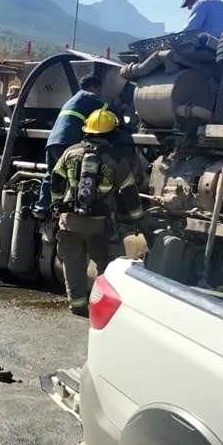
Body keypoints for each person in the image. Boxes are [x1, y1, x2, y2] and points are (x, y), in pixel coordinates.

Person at [50, 107, 144, 316]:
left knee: (72, 265)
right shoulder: (115, 159)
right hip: (99, 224)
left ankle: (77, 304)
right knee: (106, 265)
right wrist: (137, 219)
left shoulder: (70, 152)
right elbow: (129, 190)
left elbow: (56, 179)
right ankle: (99, 305)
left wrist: (56, 205)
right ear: (111, 133)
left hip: (69, 222)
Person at [32, 75, 106, 218]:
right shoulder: (89, 96)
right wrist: (121, 108)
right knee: (74, 175)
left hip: (53, 142)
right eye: (99, 90)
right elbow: (107, 109)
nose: (100, 93)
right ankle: (70, 211)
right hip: (68, 142)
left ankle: (41, 208)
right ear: (94, 87)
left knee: (51, 174)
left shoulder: (74, 99)